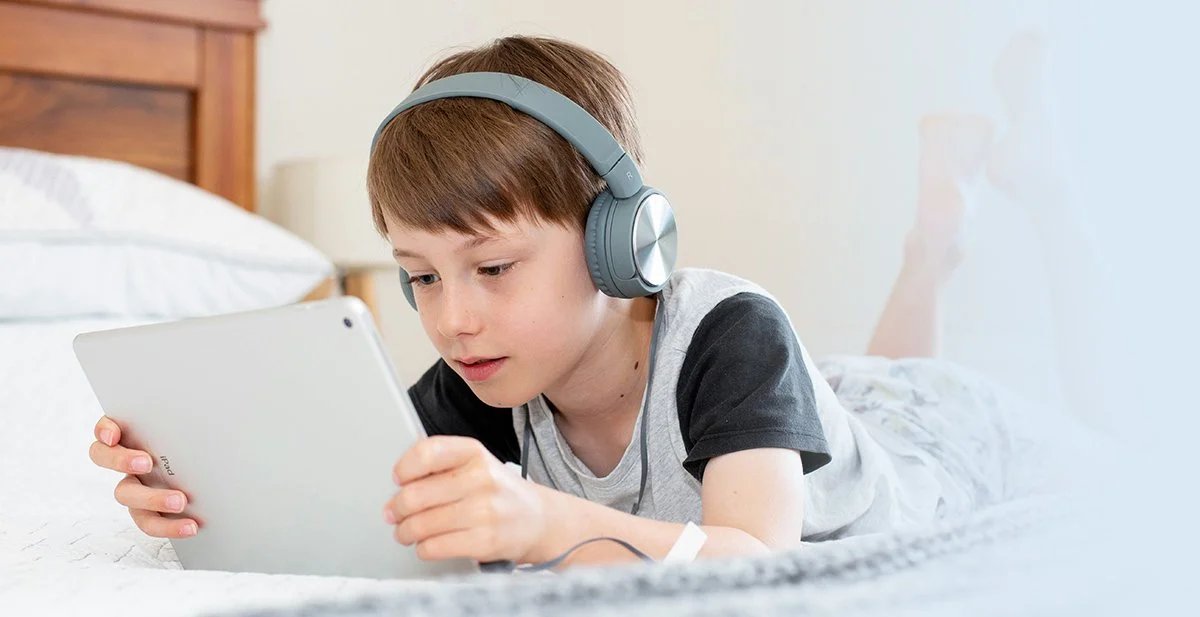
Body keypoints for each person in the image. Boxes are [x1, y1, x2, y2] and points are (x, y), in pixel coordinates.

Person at [87, 32, 1110, 570]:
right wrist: (194, 500)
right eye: (421, 277)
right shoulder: (474, 380)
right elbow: (363, 528)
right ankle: (933, 240)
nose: (452, 318)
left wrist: (540, 521)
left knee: (1113, 433)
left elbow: (756, 560)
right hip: (825, 411)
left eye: (492, 268)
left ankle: (1001, 210)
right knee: (873, 383)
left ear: (627, 242)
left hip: (944, 445)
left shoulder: (733, 330)